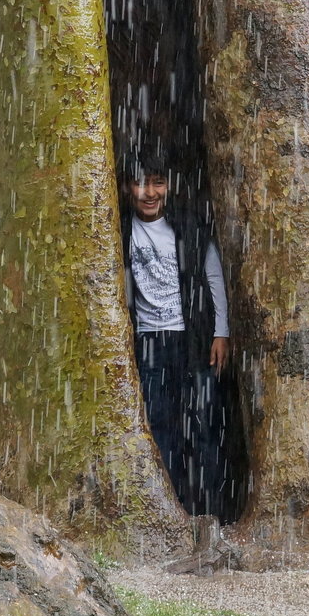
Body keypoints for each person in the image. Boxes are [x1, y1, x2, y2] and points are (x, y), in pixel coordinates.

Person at [121, 154, 232, 519]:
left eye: (157, 182)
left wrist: (221, 333)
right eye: (141, 184)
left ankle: (208, 510)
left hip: (193, 340)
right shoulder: (119, 230)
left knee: (202, 423)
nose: (149, 192)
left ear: (168, 186)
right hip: (149, 343)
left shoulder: (187, 225)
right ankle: (169, 513)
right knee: (159, 429)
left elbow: (213, 278)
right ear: (127, 188)